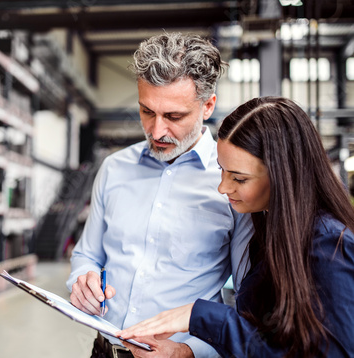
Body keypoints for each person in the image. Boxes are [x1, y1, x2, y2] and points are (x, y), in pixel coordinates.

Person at [117, 97, 354, 358]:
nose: (223, 188)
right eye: (222, 171)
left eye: (239, 178)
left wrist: (204, 317)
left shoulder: (330, 248)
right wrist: (183, 352)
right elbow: (268, 340)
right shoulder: (270, 229)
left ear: (283, 176)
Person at [66, 32, 253, 358]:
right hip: (104, 350)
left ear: (208, 106)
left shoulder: (231, 182)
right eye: (146, 111)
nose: (156, 131)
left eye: (174, 116)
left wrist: (187, 351)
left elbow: (248, 300)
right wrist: (84, 280)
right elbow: (87, 254)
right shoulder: (114, 169)